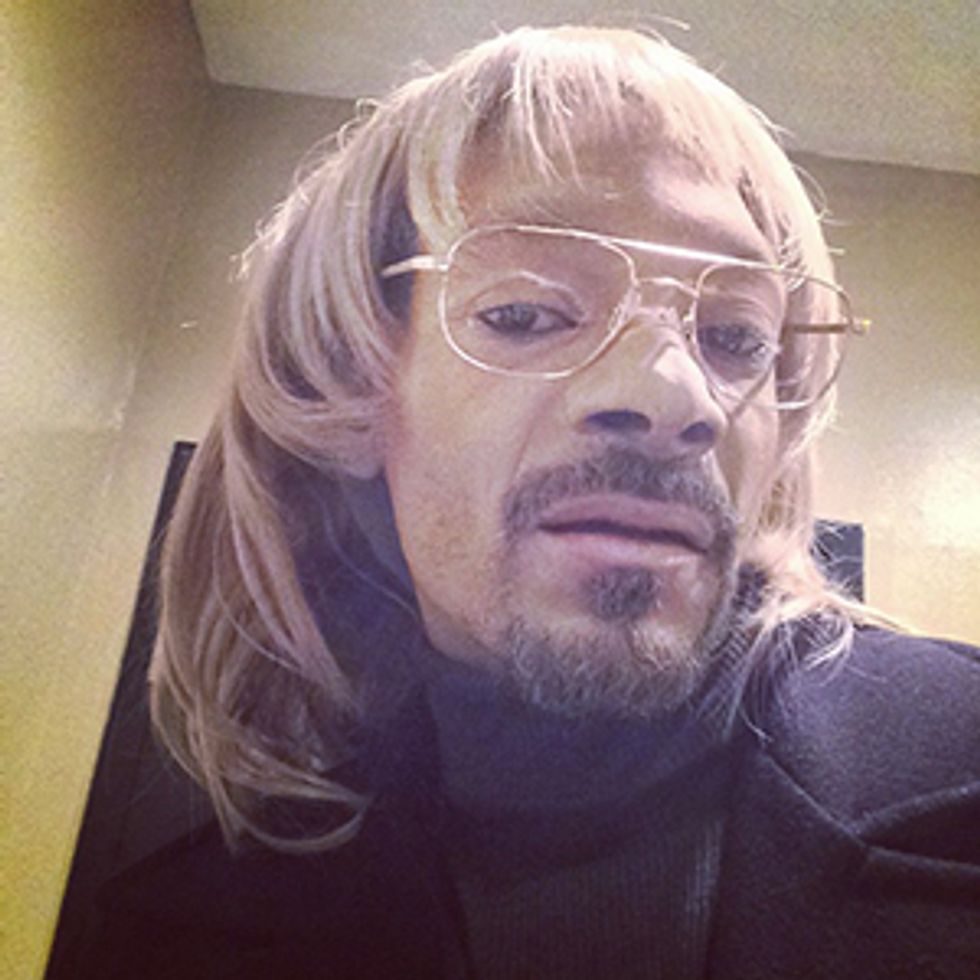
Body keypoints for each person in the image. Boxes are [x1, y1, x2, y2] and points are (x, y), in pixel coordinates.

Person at [84, 25, 979, 979]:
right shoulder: (169, 939)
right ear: (348, 391)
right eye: (525, 314)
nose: (677, 397)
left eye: (736, 338)